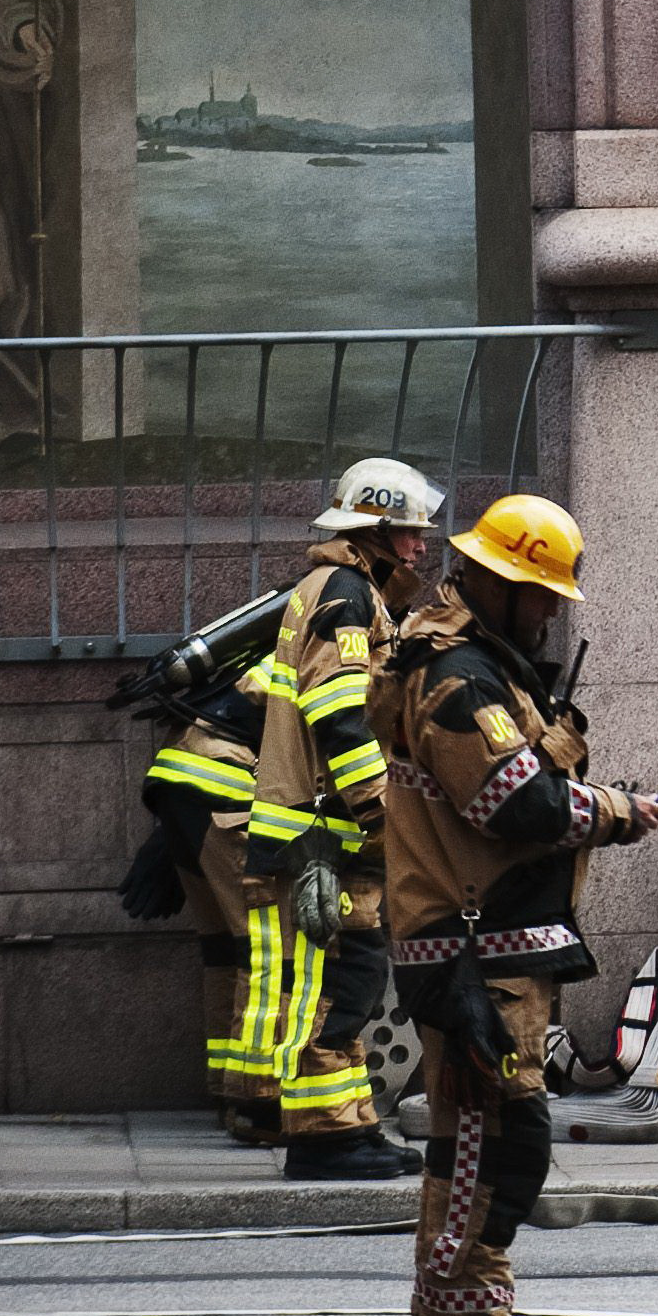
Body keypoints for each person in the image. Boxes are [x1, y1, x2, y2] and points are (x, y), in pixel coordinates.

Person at [372, 494, 658, 1316]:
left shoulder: (472, 663)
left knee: (486, 1136)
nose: (549, 612)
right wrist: (614, 810)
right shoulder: (461, 675)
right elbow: (513, 803)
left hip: (484, 943)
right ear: (496, 582)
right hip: (473, 948)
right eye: (540, 594)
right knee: (495, 1140)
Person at [242, 458, 443, 1180]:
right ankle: (322, 1141)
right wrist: (382, 812)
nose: (421, 545)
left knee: (351, 981)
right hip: (321, 833)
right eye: (410, 532)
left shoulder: (348, 591)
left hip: (321, 828)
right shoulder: (345, 593)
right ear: (375, 530)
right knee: (333, 987)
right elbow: (340, 714)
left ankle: (349, 1126)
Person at [127, 677, 272, 1143]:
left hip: (179, 773)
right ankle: (257, 1102)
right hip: (225, 777)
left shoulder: (280, 643)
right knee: (267, 946)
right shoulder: (359, 647)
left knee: (224, 951)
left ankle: (227, 1090)